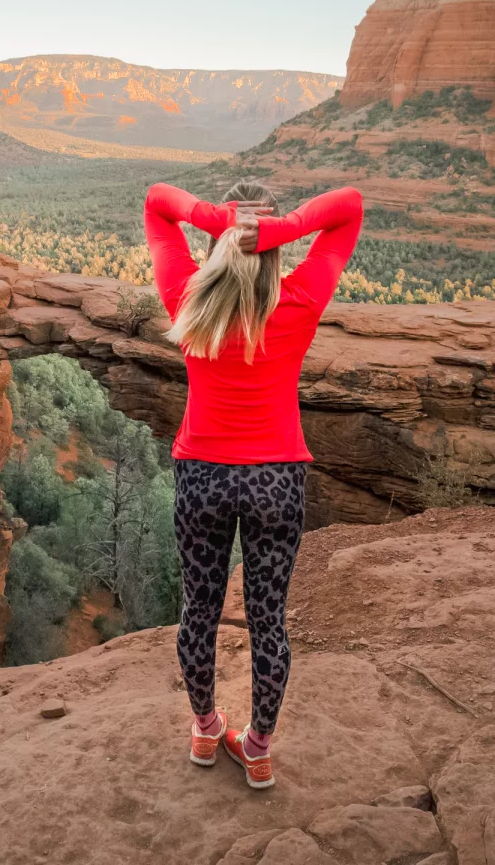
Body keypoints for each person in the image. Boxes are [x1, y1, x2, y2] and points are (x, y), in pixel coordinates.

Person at [143, 179, 363, 789]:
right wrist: (278, 229)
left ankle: (206, 729)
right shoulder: (296, 302)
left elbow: (156, 203)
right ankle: (259, 748)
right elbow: (348, 209)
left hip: (202, 477)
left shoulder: (189, 299)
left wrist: (217, 221)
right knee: (269, 620)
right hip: (276, 480)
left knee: (199, 613)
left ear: (220, 245)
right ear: (271, 249)